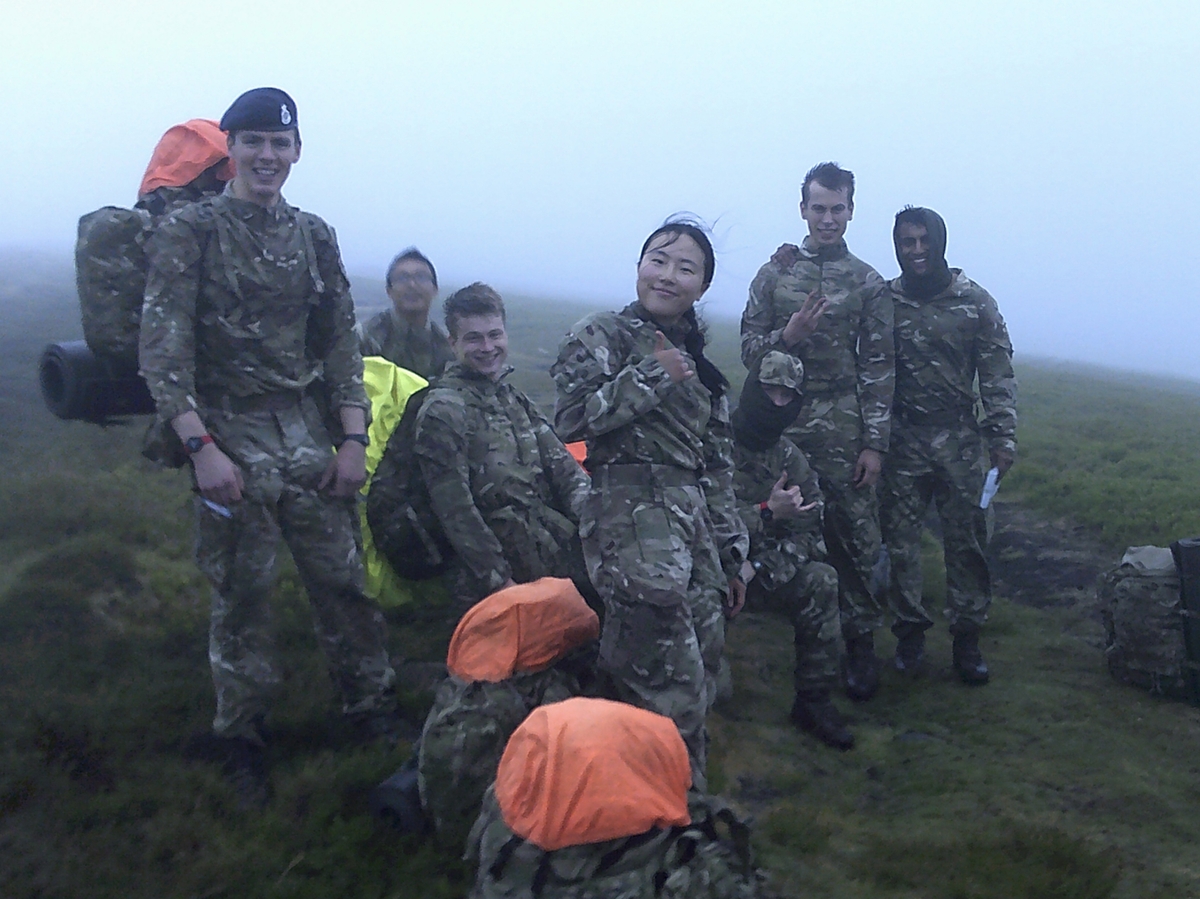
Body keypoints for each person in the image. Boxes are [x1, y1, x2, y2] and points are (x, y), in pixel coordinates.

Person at [139, 88, 399, 804]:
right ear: (230, 152)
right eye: (252, 142)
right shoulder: (190, 231)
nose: (267, 156)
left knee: (344, 582)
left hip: (305, 433)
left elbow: (340, 339)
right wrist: (201, 448)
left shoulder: (315, 234)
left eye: (279, 144)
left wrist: (352, 437)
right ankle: (242, 734)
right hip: (228, 434)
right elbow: (165, 349)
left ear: (296, 152)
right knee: (243, 593)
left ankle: (369, 709)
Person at [552, 218, 751, 788]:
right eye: (658, 260)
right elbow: (568, 424)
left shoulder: (702, 367)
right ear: (639, 266)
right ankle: (674, 811)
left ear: (703, 286)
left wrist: (732, 555)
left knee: (700, 657)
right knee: (672, 684)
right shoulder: (602, 335)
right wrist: (650, 377)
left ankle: (625, 781)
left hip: (690, 525)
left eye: (686, 268)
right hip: (628, 512)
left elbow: (715, 466)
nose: (668, 276)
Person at [740, 161, 894, 702]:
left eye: (838, 209)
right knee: (780, 517)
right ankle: (758, 615)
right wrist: (789, 334)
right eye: (818, 208)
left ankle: (859, 645)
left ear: (851, 210)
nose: (828, 219)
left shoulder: (868, 282)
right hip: (783, 420)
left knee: (854, 532)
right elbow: (748, 350)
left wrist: (874, 442)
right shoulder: (774, 273)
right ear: (802, 209)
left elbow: (878, 364)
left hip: (844, 422)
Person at [879, 206, 1016, 684]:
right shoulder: (883, 300)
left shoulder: (975, 302)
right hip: (901, 439)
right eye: (906, 241)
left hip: (959, 440)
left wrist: (1002, 435)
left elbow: (997, 372)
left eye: (924, 240)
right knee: (900, 544)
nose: (916, 250)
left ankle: (967, 638)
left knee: (968, 542)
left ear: (940, 242)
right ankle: (909, 635)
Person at [411, 282, 590, 607]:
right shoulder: (443, 411)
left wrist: (597, 524)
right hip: (495, 576)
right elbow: (455, 512)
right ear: (453, 343)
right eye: (473, 338)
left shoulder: (514, 400)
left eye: (494, 335)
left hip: (553, 549)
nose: (487, 346)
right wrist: (500, 582)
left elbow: (565, 471)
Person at [731, 351, 851, 749]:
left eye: (788, 396)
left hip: (759, 573)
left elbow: (808, 534)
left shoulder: (790, 459)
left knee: (821, 580)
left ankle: (813, 701)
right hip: (702, 566)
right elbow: (694, 519)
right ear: (752, 389)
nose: (777, 404)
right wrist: (765, 512)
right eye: (769, 391)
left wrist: (757, 568)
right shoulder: (707, 440)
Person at [358, 247, 455, 377]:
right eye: (402, 278)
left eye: (421, 277)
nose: (412, 285)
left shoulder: (446, 348)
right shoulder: (365, 338)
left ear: (435, 289)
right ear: (389, 290)